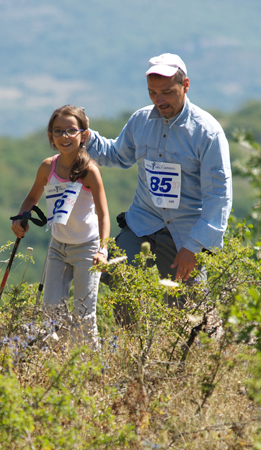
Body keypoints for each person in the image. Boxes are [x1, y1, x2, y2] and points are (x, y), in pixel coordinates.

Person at [86, 53, 232, 322]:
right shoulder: (140, 121)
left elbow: (218, 196)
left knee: (186, 311)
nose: (159, 100)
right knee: (120, 275)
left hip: (185, 233)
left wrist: (195, 246)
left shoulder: (207, 132)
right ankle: (129, 349)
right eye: (152, 93)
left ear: (185, 85)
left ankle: (182, 357)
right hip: (143, 221)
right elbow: (117, 155)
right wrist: (86, 136)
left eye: (167, 92)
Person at [12, 105, 110, 343]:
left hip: (87, 249)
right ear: (50, 137)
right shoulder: (48, 167)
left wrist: (103, 250)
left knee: (84, 315)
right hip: (57, 247)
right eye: (58, 131)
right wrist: (21, 217)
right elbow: (32, 197)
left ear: (83, 135)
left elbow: (103, 214)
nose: (64, 136)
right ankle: (56, 363)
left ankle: (91, 371)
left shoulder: (89, 171)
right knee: (51, 312)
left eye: (71, 131)